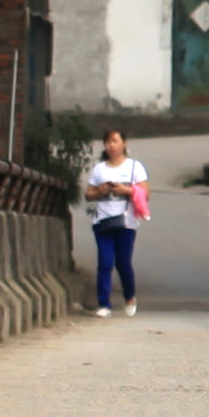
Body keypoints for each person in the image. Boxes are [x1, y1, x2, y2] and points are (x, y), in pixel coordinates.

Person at [79, 128, 150, 315]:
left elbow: (145, 192)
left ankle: (130, 296)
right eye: (108, 142)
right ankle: (104, 304)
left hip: (126, 223)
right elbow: (88, 194)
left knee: (123, 263)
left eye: (115, 141)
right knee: (105, 262)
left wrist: (126, 191)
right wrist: (101, 191)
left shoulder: (134, 167)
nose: (111, 145)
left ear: (124, 144)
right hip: (103, 221)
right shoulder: (100, 169)